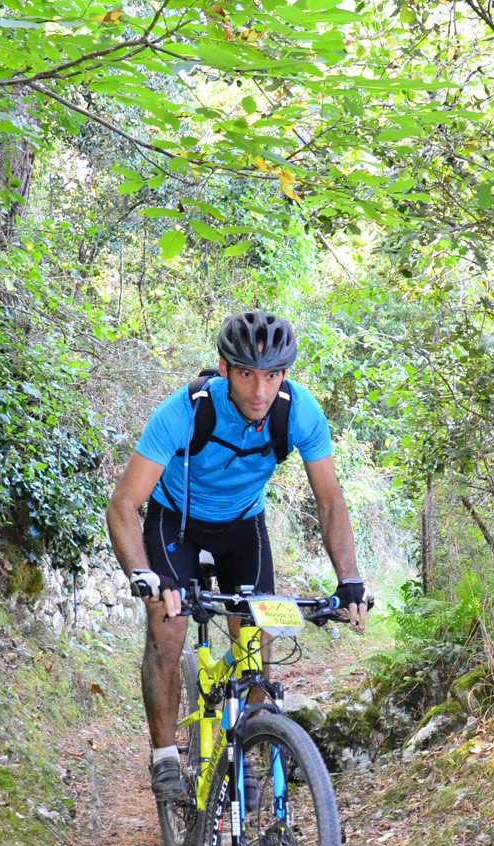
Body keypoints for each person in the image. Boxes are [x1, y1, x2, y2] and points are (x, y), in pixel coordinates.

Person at [106, 309, 372, 802]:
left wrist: (349, 580)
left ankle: (248, 744)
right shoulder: (185, 411)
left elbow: (331, 501)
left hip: (242, 526)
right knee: (169, 629)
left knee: (256, 634)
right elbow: (124, 504)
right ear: (225, 368)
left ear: (285, 375)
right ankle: (165, 757)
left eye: (272, 375)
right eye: (247, 373)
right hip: (175, 522)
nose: (259, 390)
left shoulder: (300, 413)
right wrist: (142, 574)